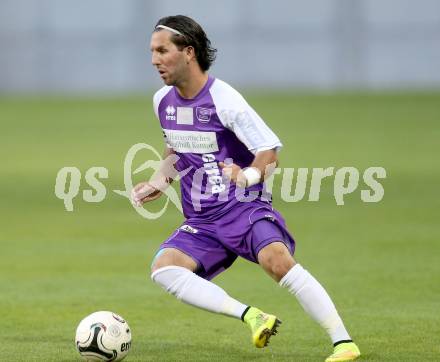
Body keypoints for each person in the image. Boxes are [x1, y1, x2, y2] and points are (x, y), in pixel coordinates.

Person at [131, 15, 361, 362]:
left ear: (188, 52)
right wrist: (158, 181)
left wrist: (248, 177)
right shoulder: (162, 101)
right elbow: (176, 151)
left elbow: (269, 153)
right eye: (152, 51)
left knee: (278, 262)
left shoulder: (225, 99)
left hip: (243, 207)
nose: (154, 60)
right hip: (203, 219)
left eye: (162, 51)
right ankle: (252, 316)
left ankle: (343, 342)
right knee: (165, 268)